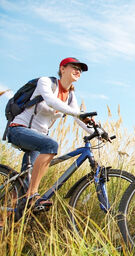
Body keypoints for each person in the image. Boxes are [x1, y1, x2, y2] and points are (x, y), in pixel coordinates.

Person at [6, 57, 93, 209]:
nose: (78, 71)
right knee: (51, 145)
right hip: (19, 129)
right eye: (74, 67)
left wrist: (99, 132)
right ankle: (33, 195)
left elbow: (78, 117)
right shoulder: (46, 82)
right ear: (62, 68)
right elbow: (52, 101)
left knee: (24, 181)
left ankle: (6, 220)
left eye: (80, 70)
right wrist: (78, 114)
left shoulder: (70, 96)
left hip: (37, 140)